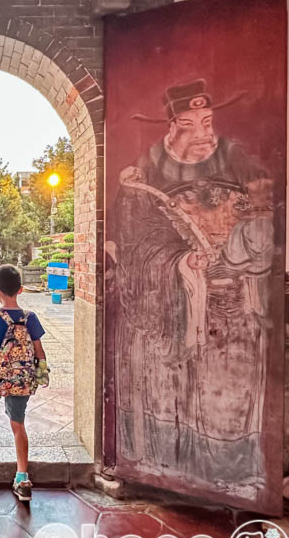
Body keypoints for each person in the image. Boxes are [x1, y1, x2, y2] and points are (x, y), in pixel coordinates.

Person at [106, 79, 275, 492]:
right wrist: (180, 262)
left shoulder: (233, 156)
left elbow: (263, 207)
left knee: (229, 390)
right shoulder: (144, 171)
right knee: (170, 387)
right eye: (190, 123)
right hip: (173, 298)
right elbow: (131, 241)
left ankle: (229, 469)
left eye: (207, 121)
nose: (203, 134)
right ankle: (165, 464)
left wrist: (246, 233)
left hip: (232, 297)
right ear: (171, 125)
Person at [0, 264, 48, 501]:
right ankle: (22, 478)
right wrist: (42, 373)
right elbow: (39, 350)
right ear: (21, 290)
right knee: (18, 426)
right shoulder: (31, 318)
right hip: (21, 379)